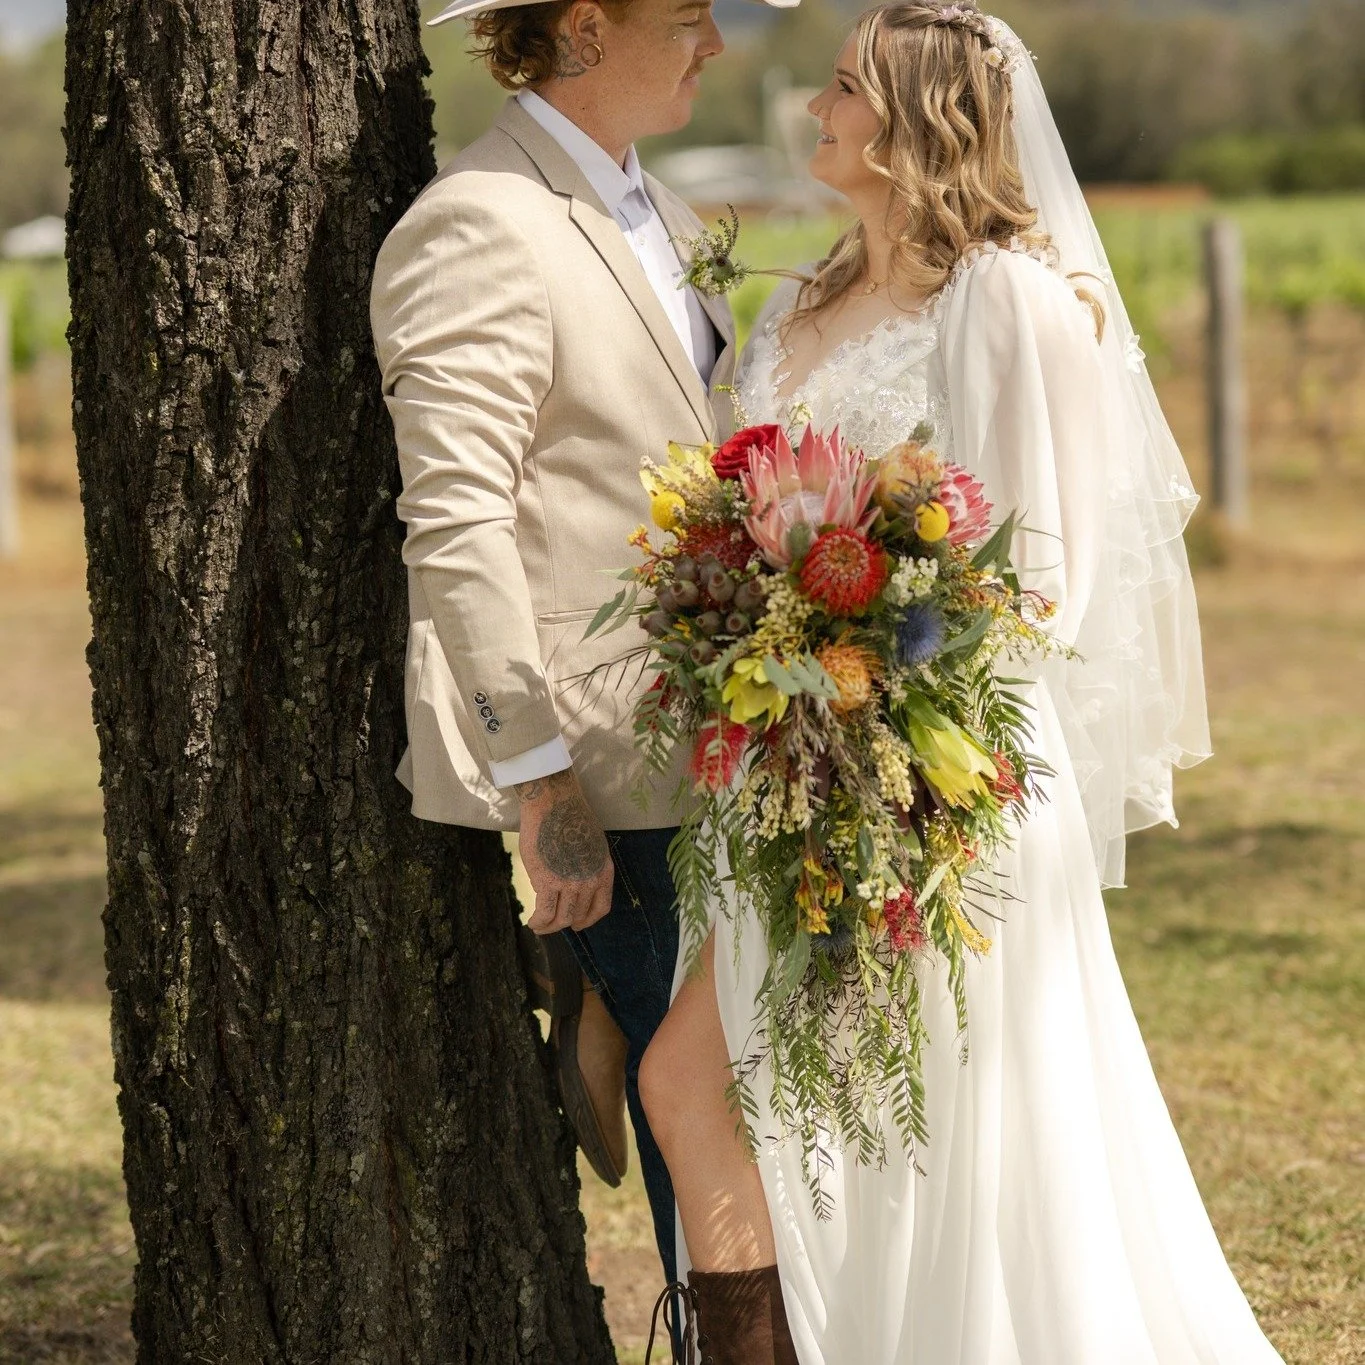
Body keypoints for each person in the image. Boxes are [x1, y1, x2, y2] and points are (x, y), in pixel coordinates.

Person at [637, 5, 1289, 1362]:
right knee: (704, 1080)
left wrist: (856, 656)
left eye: (840, 91)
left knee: (906, 1135)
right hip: (784, 768)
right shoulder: (805, 295)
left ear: (918, 118)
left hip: (942, 782)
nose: (813, 111)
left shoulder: (1012, 298)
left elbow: (1046, 580)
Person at [369, 0, 793, 1287]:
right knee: (707, 1115)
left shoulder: (647, 206)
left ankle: (599, 1007)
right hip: (608, 762)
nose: (716, 43)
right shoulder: (476, 223)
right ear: (591, 28)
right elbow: (455, 517)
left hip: (727, 737)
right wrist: (539, 776)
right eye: (691, 16)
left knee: (742, 1094)